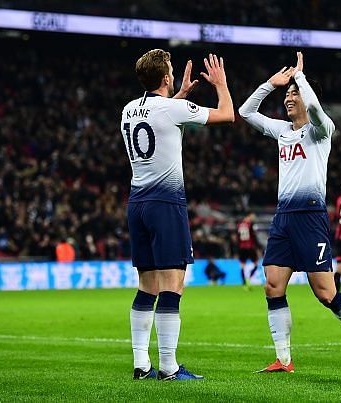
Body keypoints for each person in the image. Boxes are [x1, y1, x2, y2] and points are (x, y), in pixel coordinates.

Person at [239, 52, 341, 372]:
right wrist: (269, 85)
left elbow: (315, 108)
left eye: (293, 94)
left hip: (311, 216)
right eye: (286, 94)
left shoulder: (321, 130)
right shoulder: (282, 131)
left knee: (326, 293)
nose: (288, 98)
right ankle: (284, 359)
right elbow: (246, 112)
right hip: (284, 216)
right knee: (273, 285)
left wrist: (300, 78)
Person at [122, 49, 234, 381]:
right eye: (171, 71)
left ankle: (141, 364)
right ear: (167, 77)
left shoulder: (128, 110)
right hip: (165, 204)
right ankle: (169, 367)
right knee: (173, 285)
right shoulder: (172, 108)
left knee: (147, 286)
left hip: (137, 202)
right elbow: (227, 114)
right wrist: (221, 83)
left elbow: (159, 120)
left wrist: (181, 95)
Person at [236, 212, 260, 287]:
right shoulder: (251, 225)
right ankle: (249, 278)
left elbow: (237, 238)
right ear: (249, 216)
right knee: (256, 264)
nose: (253, 217)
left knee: (242, 265)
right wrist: (258, 246)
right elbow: (253, 236)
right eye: (253, 216)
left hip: (241, 248)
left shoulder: (239, 225)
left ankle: (244, 283)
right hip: (250, 247)